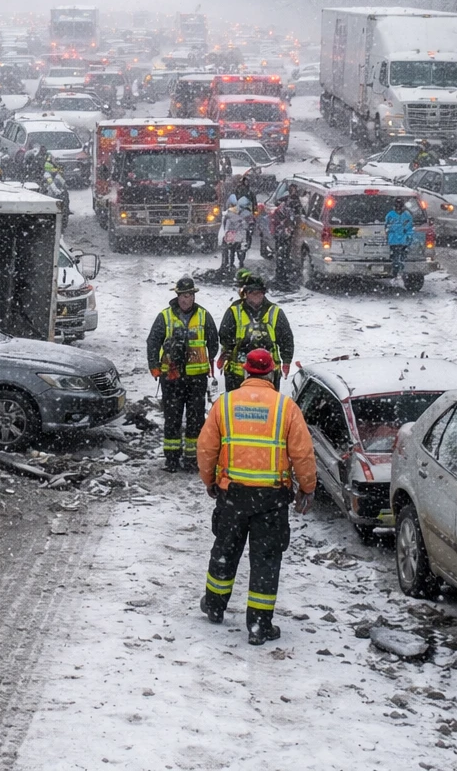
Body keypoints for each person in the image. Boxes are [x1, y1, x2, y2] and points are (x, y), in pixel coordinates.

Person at [196, 348, 317, 645]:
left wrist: (209, 480)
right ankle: (260, 625)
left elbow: (206, 448)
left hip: (233, 496)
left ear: (245, 371)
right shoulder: (286, 408)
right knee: (266, 561)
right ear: (272, 372)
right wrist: (307, 487)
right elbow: (302, 453)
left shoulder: (225, 404)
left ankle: (215, 606)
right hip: (271, 501)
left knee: (225, 551)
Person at [146, 277, 219, 473]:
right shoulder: (164, 317)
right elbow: (153, 342)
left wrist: (210, 360)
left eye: (189, 295)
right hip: (172, 378)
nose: (186, 299)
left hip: (197, 379)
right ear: (177, 296)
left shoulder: (204, 316)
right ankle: (172, 459)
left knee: (196, 420)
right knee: (172, 418)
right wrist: (154, 366)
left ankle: (192, 459)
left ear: (194, 296)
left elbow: (213, 342)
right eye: (183, 296)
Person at [217, 275, 294, 392]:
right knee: (237, 403)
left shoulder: (275, 312)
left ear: (264, 293)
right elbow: (224, 336)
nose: (256, 296)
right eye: (252, 292)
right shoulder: (234, 311)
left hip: (269, 373)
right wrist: (235, 348)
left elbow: (286, 339)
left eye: (259, 292)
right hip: (238, 373)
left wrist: (287, 361)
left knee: (268, 402)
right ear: (245, 294)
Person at [271, 184, 302, 289]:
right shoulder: (286, 202)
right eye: (292, 190)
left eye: (294, 190)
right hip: (282, 233)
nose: (293, 192)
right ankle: (281, 276)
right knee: (282, 254)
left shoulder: (295, 203)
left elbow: (296, 215)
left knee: (284, 254)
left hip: (285, 234)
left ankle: (282, 275)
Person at [384, 197, 414, 284]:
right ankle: (395, 275)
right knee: (395, 259)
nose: (398, 206)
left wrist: (408, 237)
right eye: (397, 204)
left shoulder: (407, 215)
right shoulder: (390, 215)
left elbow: (410, 228)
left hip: (404, 241)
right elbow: (386, 227)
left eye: (400, 204)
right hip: (393, 241)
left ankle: (401, 275)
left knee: (402, 259)